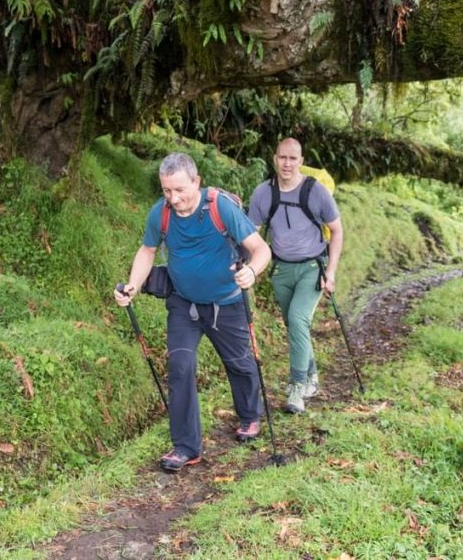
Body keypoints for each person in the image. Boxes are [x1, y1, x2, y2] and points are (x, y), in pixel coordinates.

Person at [114, 152, 271, 472]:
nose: (174, 198)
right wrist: (133, 284)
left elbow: (261, 249)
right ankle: (186, 446)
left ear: (196, 182)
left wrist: (252, 272)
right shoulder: (161, 214)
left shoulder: (220, 208)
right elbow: (147, 250)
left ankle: (250, 415)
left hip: (227, 303)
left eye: (180, 190)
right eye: (166, 191)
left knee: (240, 364)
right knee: (181, 365)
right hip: (184, 304)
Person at [248, 138, 343, 414]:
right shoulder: (264, 193)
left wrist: (332, 271)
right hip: (281, 269)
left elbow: (336, 231)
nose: (287, 163)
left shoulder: (316, 192)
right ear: (274, 159)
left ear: (301, 162)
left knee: (298, 319)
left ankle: (297, 387)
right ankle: (312, 376)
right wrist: (245, 263)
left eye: (292, 159)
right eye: (282, 158)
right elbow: (250, 233)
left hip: (313, 267)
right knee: (295, 327)